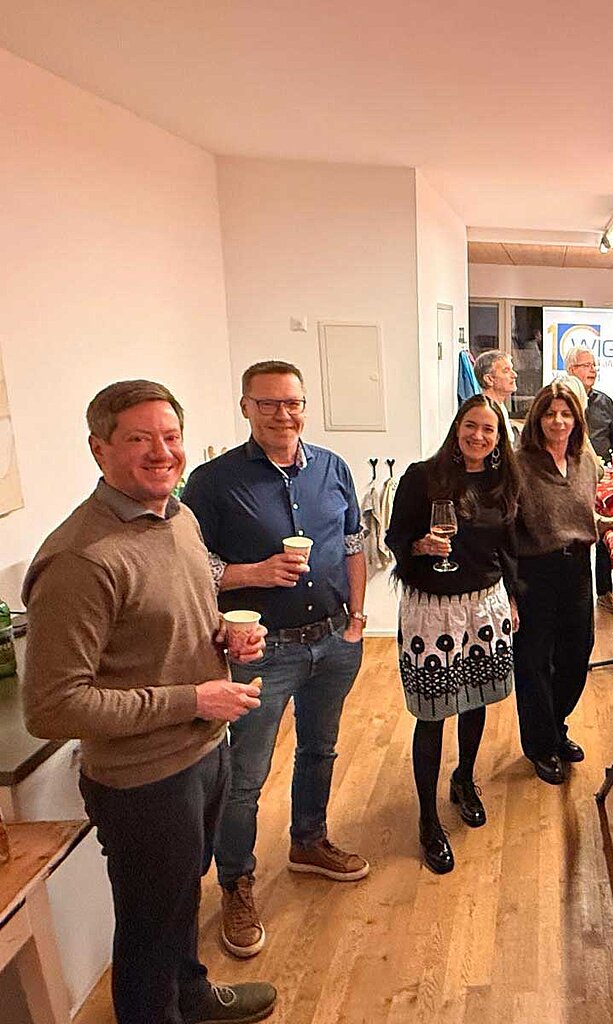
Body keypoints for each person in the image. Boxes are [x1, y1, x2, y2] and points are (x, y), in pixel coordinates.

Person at [23, 380, 277, 1024]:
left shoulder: (179, 518)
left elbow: (171, 624)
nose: (161, 452)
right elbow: (53, 707)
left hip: (204, 751)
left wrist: (224, 638)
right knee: (148, 925)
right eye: (140, 439)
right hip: (142, 780)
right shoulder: (81, 558)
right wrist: (193, 697)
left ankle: (190, 995)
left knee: (180, 900)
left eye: (170, 436)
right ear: (99, 448)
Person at [183, 360, 369, 960]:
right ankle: (236, 883)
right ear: (245, 407)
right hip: (263, 651)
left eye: (292, 403)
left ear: (304, 407)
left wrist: (358, 619)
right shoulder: (212, 482)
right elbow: (192, 567)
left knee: (320, 749)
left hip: (333, 640)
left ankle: (308, 841)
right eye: (267, 403)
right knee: (245, 775)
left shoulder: (332, 468)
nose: (281, 415)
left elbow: (354, 545)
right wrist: (253, 573)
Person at [384, 395, 520, 874]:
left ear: (499, 438)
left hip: (484, 604)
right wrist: (419, 545)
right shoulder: (423, 477)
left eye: (488, 429)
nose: (478, 436)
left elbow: (507, 547)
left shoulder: (503, 481)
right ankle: (427, 818)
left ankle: (463, 778)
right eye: (471, 426)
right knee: (433, 712)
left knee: (475, 700)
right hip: (433, 611)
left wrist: (513, 600)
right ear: (457, 427)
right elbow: (394, 538)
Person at [513, 381, 607, 785]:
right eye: (550, 413)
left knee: (576, 653)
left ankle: (556, 726)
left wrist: (604, 524)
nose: (558, 421)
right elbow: (507, 527)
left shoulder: (585, 460)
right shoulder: (519, 464)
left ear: (577, 419)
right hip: (534, 570)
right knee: (533, 661)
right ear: (538, 418)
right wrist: (508, 589)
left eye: (566, 413)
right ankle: (540, 745)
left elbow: (578, 512)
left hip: (578, 568)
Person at [564, 345, 613, 612]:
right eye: (586, 365)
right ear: (571, 370)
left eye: (594, 365)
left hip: (604, 479)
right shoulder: (561, 402)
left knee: (605, 532)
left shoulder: (605, 401)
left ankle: (604, 590)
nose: (593, 370)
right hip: (574, 480)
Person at [474, 350, 519, 445]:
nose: (514, 375)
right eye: (506, 371)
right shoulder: (484, 412)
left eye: (512, 369)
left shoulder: (499, 406)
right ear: (489, 379)